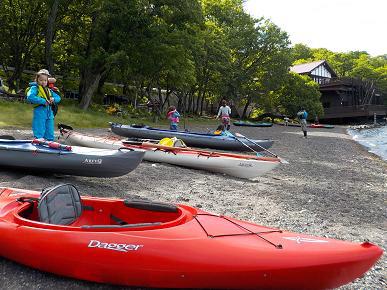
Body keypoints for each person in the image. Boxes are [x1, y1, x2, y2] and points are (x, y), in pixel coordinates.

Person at [26, 69, 61, 141]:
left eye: (45, 80)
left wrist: (53, 99)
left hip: (49, 113)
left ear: (47, 81)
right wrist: (43, 101)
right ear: (37, 80)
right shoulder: (34, 88)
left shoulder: (49, 90)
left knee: (50, 129)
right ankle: (39, 139)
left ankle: (49, 141)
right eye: (41, 80)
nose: (43, 82)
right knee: (39, 127)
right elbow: (30, 97)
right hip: (40, 111)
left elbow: (58, 98)